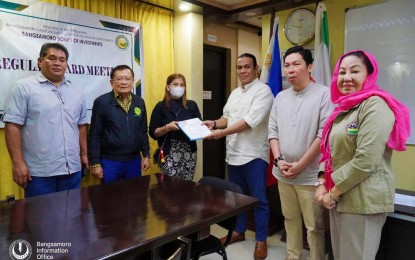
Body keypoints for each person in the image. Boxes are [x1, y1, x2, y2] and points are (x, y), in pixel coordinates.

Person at [315, 50, 410, 260]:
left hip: (362, 200)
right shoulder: (343, 109)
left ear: (369, 75)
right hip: (339, 195)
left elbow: (365, 159)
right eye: (342, 72)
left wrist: (333, 192)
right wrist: (321, 181)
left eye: (355, 71)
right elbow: (329, 150)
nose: (347, 77)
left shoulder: (375, 105)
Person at [204, 53, 273, 259]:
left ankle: (261, 239)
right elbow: (227, 117)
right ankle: (238, 231)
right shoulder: (235, 92)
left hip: (254, 155)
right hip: (233, 155)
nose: (242, 71)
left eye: (247, 67)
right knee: (237, 199)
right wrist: (214, 124)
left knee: (258, 199)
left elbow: (248, 122)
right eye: (239, 67)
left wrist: (221, 133)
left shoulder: (264, 92)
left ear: (256, 69)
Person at [268, 46, 332, 260]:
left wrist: (301, 165)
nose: (290, 69)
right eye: (287, 65)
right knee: (290, 219)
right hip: (283, 173)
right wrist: (278, 161)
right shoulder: (280, 97)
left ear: (310, 66)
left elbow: (323, 135)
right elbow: (272, 130)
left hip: (310, 175)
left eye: (297, 64)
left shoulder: (324, 94)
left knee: (314, 226)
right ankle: (293, 256)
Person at [2, 42, 88, 197]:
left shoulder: (77, 91)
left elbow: (81, 125)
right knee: (41, 219)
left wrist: (84, 154)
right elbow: (12, 126)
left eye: (62, 60)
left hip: (72, 170)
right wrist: (18, 163)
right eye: (52, 58)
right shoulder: (23, 88)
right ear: (40, 61)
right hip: (39, 173)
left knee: (71, 217)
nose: (57, 63)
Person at [88, 65, 150, 183]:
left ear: (133, 81)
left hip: (134, 160)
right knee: (110, 198)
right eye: (119, 79)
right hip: (110, 161)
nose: (124, 82)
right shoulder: (101, 102)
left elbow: (143, 131)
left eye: (127, 79)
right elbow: (95, 134)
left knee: (134, 196)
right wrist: (95, 162)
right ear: (112, 82)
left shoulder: (139, 102)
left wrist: (146, 155)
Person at [149, 73, 201, 180]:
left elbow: (200, 127)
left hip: (189, 151)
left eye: (182, 85)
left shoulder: (192, 105)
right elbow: (153, 132)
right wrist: (167, 128)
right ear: (168, 87)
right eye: (175, 84)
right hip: (169, 152)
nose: (179, 87)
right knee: (169, 187)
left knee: (187, 185)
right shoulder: (161, 107)